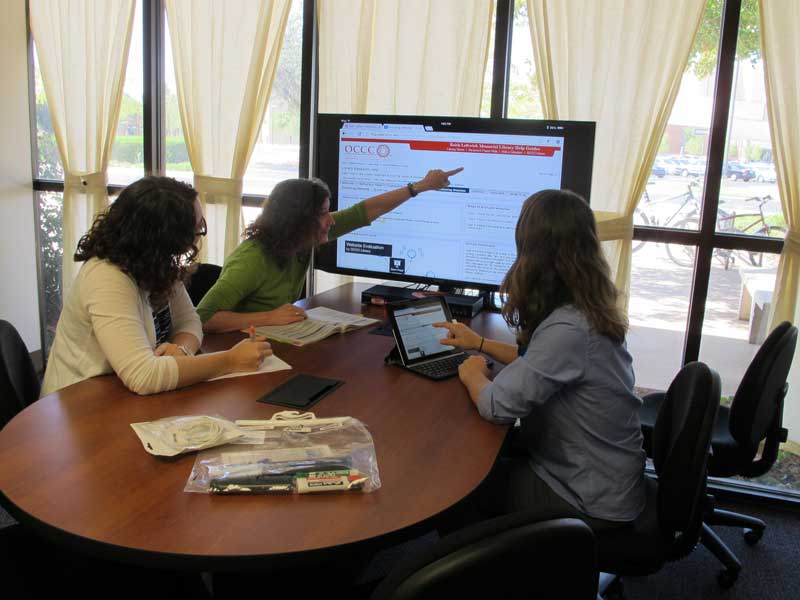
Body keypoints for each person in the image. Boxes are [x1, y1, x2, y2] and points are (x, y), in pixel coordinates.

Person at [434, 189, 646, 532]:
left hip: (589, 501)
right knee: (483, 453)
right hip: (603, 476)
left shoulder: (570, 329)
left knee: (456, 484)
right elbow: (538, 359)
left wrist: (472, 372)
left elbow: (495, 405)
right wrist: (481, 343)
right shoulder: (586, 308)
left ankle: (471, 577)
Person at [41, 176, 271, 397]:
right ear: (165, 239)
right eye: (197, 229)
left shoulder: (154, 263)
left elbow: (190, 321)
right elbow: (143, 376)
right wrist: (229, 360)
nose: (198, 236)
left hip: (121, 394)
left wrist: (181, 350)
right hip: (80, 405)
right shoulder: (107, 277)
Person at [197, 168, 463, 332]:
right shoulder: (251, 260)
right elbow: (204, 318)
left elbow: (364, 212)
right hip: (239, 353)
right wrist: (270, 317)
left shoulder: (301, 240)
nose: (331, 220)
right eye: (324, 213)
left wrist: (419, 187)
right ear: (299, 221)